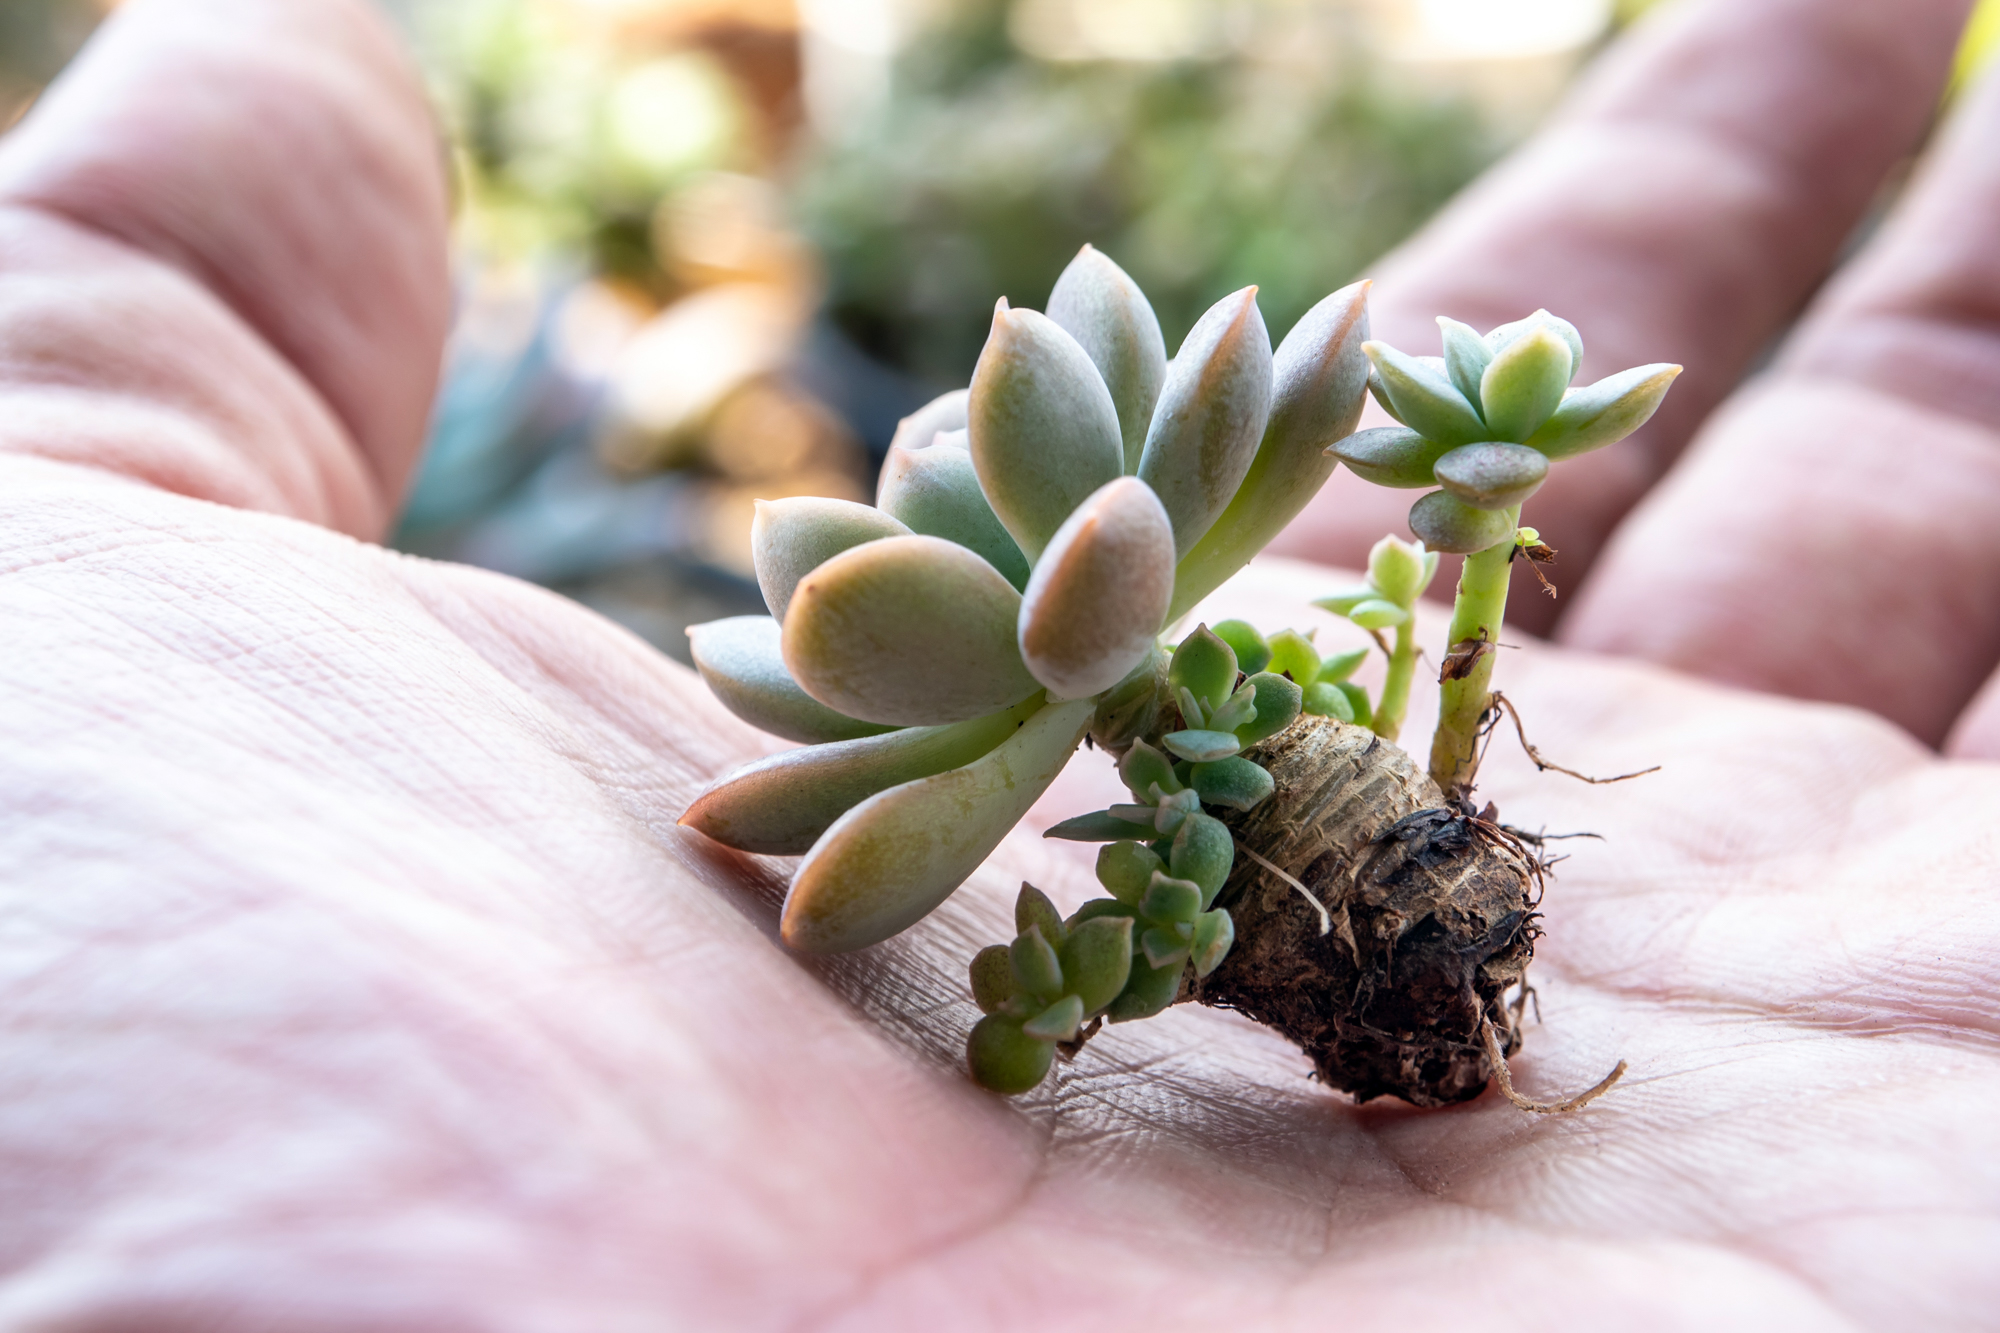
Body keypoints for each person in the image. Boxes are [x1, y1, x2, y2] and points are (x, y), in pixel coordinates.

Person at [0, 0, 1994, 1325]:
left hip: (1342, 853)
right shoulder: (1003, 646)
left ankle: (1405, 904)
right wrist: (1095, 965)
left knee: (1303, 766)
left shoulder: (1191, 548)